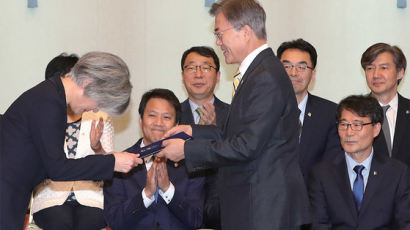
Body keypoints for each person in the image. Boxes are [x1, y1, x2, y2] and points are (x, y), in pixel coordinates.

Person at [158, 0, 311, 229]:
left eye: (220, 34)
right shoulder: (258, 71)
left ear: (246, 31)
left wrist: (186, 150)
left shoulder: (265, 76)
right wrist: (192, 131)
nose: (218, 42)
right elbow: (239, 133)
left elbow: (246, 145)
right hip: (255, 203)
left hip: (264, 208)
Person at [0, 51, 142, 229]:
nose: (95, 110)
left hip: (12, 192)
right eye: (98, 103)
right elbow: (58, 168)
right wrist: (111, 162)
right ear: (87, 83)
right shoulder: (49, 102)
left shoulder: (52, 96)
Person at [103, 88, 205, 230]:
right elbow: (114, 221)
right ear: (140, 120)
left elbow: (195, 220)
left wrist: (168, 189)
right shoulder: (119, 164)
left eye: (166, 117)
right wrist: (146, 194)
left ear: (176, 125)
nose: (158, 123)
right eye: (152, 115)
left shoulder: (192, 164)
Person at [31, 53, 110, 229]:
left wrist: (97, 148)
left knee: (87, 223)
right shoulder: (41, 118)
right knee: (60, 222)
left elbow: (107, 171)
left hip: (90, 198)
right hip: (50, 197)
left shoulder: (98, 116)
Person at [308, 95, 410, 229]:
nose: (349, 132)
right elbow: (319, 225)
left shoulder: (397, 173)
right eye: (343, 124)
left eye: (357, 125)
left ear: (376, 129)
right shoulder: (321, 174)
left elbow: (404, 224)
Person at [277, 39, 342, 180]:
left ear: (313, 75)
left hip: (312, 198)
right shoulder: (262, 111)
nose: (293, 73)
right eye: (287, 66)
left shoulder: (331, 113)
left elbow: (332, 166)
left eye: (301, 67)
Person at [180, 46, 229, 229]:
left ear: (217, 76)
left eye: (206, 67)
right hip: (180, 209)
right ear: (183, 75)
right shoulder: (170, 117)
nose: (198, 74)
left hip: (225, 210)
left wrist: (216, 132)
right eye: (191, 68)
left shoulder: (236, 116)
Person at [361, 43, 410, 166]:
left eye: (383, 68)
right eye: (370, 68)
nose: (376, 75)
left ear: (400, 73)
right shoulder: (355, 112)